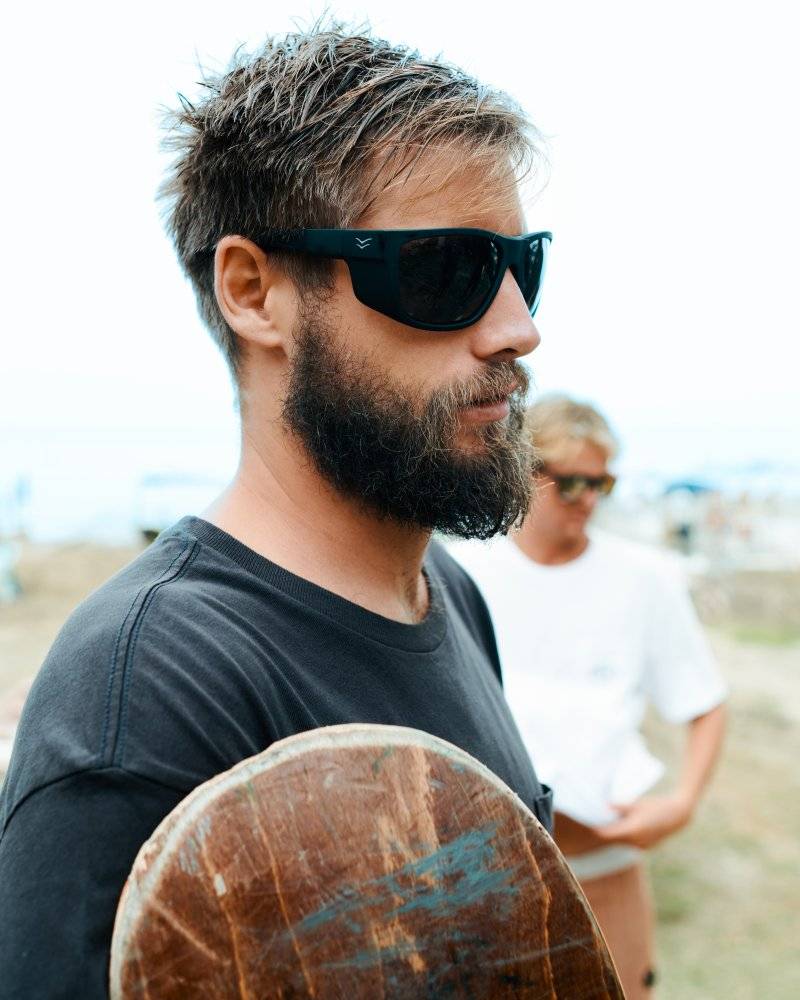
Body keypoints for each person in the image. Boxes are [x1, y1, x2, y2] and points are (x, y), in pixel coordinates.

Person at [0, 26, 555, 997]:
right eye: (443, 271)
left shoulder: (444, 597)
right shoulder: (150, 700)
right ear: (255, 292)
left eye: (520, 265)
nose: (515, 326)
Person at [450, 395, 727, 999]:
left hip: (606, 870)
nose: (588, 499)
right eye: (570, 481)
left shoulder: (645, 579)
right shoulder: (462, 573)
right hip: (492, 878)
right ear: (523, 469)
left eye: (602, 482)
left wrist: (681, 803)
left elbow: (704, 701)